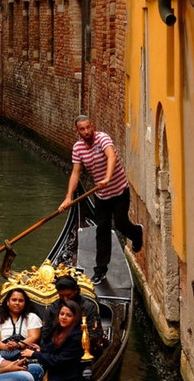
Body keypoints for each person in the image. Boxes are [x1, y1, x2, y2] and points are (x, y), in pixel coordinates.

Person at [57, 115, 144, 284]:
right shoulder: (78, 148)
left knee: (120, 223)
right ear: (78, 131)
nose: (87, 131)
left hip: (119, 190)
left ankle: (136, 232)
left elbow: (111, 156)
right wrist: (68, 198)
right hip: (101, 196)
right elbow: (76, 173)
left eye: (88, 127)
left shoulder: (103, 139)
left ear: (92, 126)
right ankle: (100, 270)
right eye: (82, 129)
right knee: (102, 231)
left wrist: (107, 178)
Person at [20, 299, 84, 381]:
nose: (63, 317)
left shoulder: (76, 336)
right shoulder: (57, 329)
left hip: (62, 378)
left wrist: (34, 354)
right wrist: (39, 350)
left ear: (75, 318)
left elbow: (58, 360)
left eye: (68, 315)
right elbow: (49, 349)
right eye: (62, 314)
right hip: (50, 371)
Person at [46, 274, 102, 348]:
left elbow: (95, 332)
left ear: (76, 290)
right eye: (62, 296)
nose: (65, 299)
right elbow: (47, 331)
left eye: (69, 295)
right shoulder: (53, 307)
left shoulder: (88, 307)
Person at [0, 287, 42, 360]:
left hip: (25, 355)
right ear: (8, 302)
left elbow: (34, 337)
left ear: (25, 303)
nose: (17, 303)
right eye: (14, 300)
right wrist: (5, 346)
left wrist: (18, 345)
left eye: (21, 301)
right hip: (2, 355)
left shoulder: (32, 317)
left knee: (35, 369)